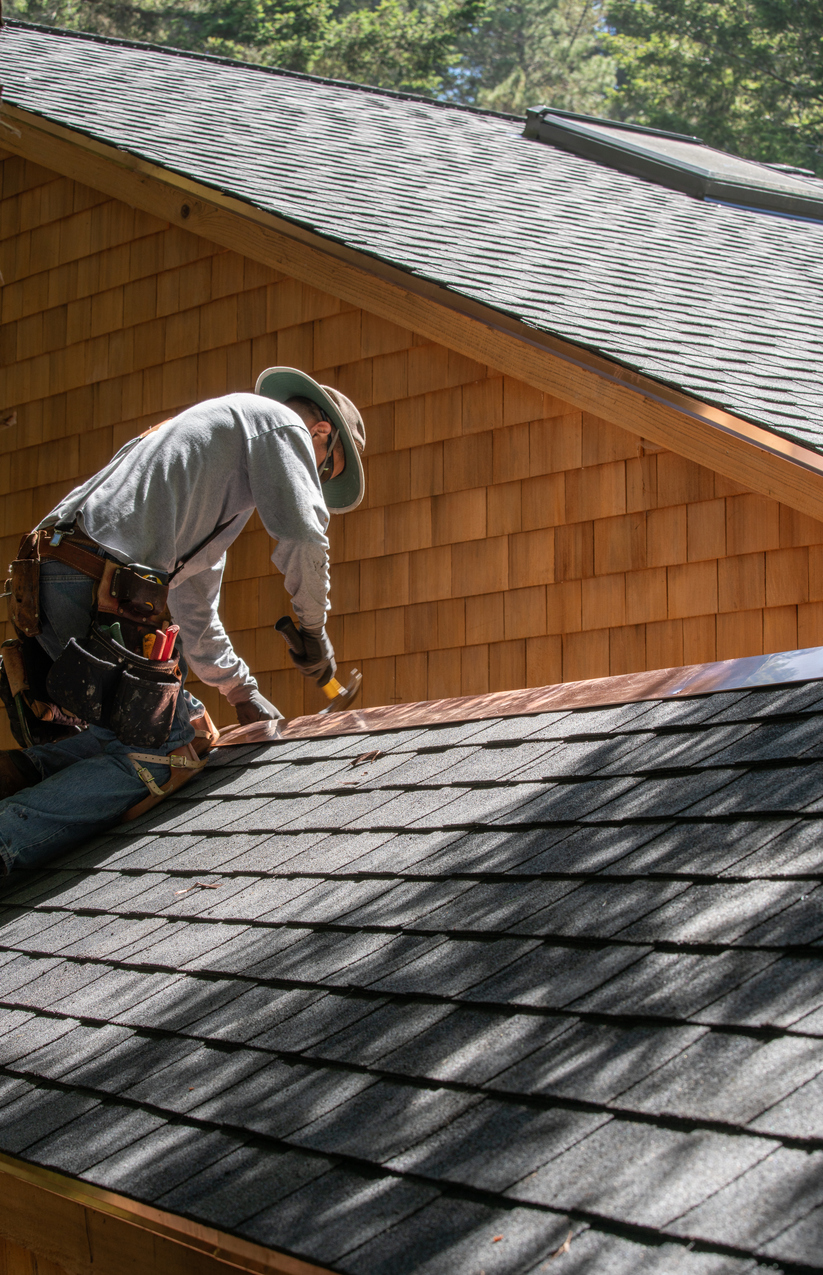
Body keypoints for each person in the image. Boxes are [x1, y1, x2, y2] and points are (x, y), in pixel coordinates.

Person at [0, 366, 366, 874]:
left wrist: (240, 691)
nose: (313, 476)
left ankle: (25, 772)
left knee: (126, 733)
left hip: (49, 578)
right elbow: (304, 534)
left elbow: (195, 605)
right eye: (323, 470)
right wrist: (312, 628)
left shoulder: (207, 470)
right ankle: (8, 838)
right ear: (321, 431)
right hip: (93, 581)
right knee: (176, 744)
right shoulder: (282, 424)